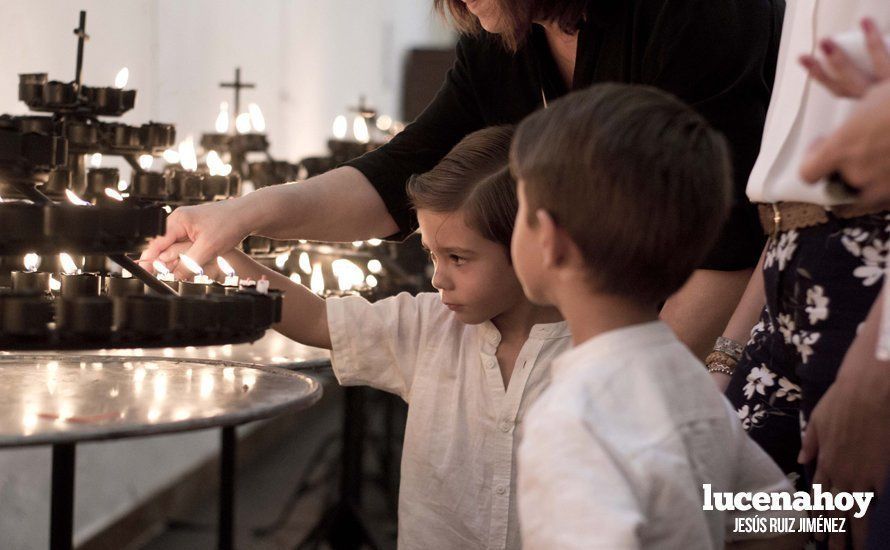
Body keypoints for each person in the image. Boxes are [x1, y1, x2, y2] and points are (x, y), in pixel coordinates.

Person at [142, 0, 784, 360]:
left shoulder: (702, 16)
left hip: (718, 323)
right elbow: (401, 170)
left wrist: (640, 388)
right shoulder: (502, 29)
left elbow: (728, 233)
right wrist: (246, 214)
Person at [158, 126, 570, 549]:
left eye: (458, 258)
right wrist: (221, 258)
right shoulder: (428, 327)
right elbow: (319, 319)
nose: (438, 277)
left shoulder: (591, 351)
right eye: (431, 254)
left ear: (529, 245)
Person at [508, 84, 803, 549]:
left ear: (548, 238)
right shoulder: (687, 381)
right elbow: (781, 520)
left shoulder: (572, 419)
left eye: (519, 207)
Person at [712, 4, 890, 546]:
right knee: (735, 521)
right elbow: (792, 207)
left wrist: (879, 364)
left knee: (844, 528)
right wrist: (729, 353)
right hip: (787, 286)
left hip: (868, 297)